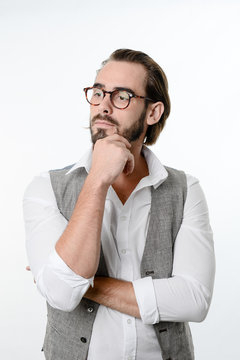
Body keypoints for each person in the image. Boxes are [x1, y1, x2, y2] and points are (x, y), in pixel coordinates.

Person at [23, 49, 215, 360]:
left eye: (122, 95)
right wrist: (98, 178)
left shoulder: (185, 189)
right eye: (98, 93)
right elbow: (60, 295)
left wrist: (81, 284)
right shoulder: (45, 188)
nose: (103, 106)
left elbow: (193, 299)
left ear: (152, 113)